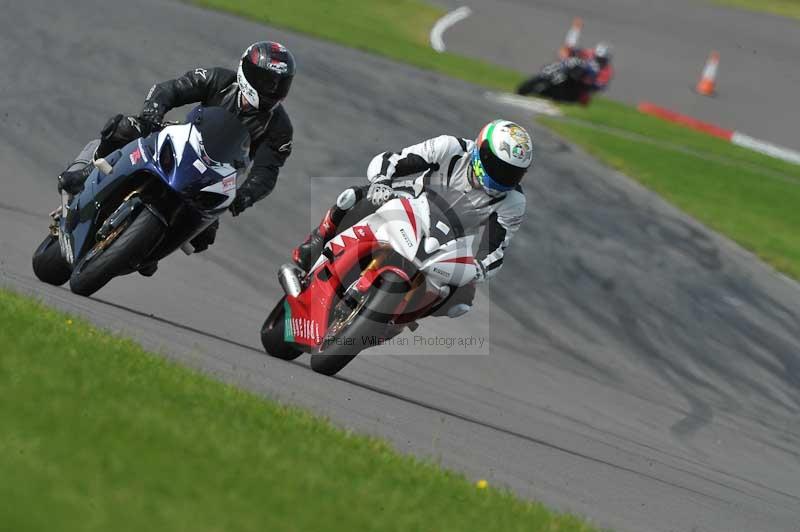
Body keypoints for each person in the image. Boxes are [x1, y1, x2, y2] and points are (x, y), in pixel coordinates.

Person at [57, 41, 296, 265]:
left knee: (204, 237)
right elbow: (172, 89)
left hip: (217, 176)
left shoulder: (280, 128)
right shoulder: (219, 79)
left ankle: (146, 250)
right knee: (125, 128)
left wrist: (246, 196)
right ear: (246, 71)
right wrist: (152, 111)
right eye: (265, 81)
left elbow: (267, 171)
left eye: (278, 84)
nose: (271, 89)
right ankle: (87, 172)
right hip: (182, 141)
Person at [292, 119, 533, 319]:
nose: (503, 177)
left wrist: (479, 269)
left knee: (461, 299)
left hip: (449, 242)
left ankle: (396, 320)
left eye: (512, 173)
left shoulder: (513, 202)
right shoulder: (450, 148)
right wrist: (382, 181)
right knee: (357, 197)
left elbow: (496, 250)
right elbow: (395, 159)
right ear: (481, 150)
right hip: (412, 202)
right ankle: (319, 240)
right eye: (499, 166)